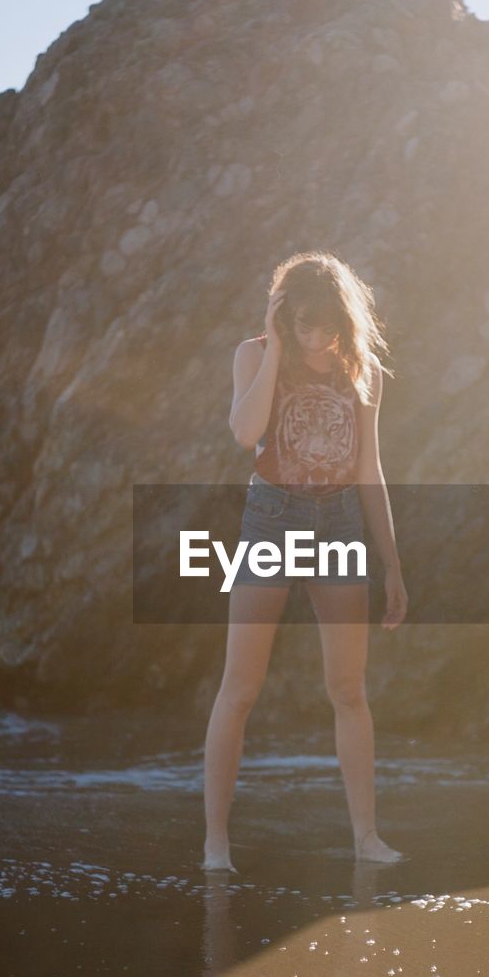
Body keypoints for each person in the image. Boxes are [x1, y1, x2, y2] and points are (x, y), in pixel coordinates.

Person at [202, 251, 409, 872]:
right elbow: (244, 434)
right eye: (301, 325)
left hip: (341, 524)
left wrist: (392, 565)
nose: (314, 338)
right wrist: (273, 349)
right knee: (240, 688)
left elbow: (370, 470)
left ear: (343, 318)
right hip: (270, 520)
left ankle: (366, 839)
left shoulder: (362, 369)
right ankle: (216, 843)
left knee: (348, 689)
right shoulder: (254, 353)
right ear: (283, 314)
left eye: (325, 326)